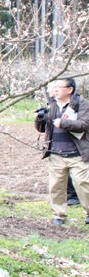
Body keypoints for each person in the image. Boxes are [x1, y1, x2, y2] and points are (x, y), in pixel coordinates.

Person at [34, 78, 89, 226]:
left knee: (83, 184)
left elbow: (84, 124)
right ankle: (59, 215)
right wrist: (39, 120)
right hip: (56, 153)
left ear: (69, 89)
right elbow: (43, 129)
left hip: (78, 154)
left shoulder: (82, 104)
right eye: (54, 87)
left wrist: (63, 123)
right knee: (56, 186)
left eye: (59, 87)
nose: (55, 89)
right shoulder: (52, 105)